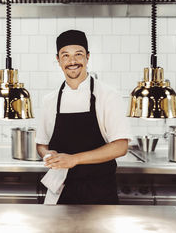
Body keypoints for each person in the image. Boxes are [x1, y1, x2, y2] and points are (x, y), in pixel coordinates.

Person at [36, 30, 131, 204]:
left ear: (87, 57)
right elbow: (41, 144)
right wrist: (47, 154)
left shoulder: (108, 95)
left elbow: (120, 147)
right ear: (58, 60)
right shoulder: (49, 100)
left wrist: (74, 159)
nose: (72, 61)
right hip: (60, 192)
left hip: (100, 192)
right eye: (65, 56)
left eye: (78, 55)